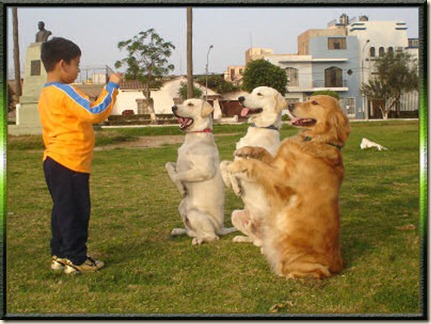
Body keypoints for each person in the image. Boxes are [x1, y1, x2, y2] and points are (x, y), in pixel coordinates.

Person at [38, 37, 122, 274]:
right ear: (63, 64)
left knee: (62, 210)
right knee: (76, 211)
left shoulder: (47, 93)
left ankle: (60, 255)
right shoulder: (64, 92)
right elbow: (95, 111)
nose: (77, 70)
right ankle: (77, 259)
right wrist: (112, 86)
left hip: (55, 161)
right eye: (76, 64)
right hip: (70, 163)